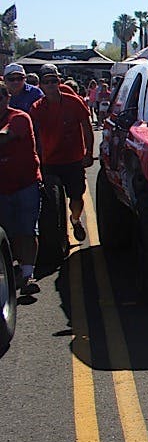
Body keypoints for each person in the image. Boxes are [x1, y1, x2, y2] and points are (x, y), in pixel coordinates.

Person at [30, 64, 94, 243]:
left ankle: (75, 220)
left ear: (59, 82)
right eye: (46, 82)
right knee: (52, 200)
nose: (50, 84)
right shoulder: (37, 107)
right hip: (49, 161)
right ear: (41, 85)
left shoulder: (74, 102)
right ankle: (58, 234)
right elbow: (32, 133)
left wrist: (89, 152)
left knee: (76, 197)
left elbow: (86, 126)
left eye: (53, 81)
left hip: (73, 159)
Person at [0, 84, 42, 294]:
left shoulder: (19, 117)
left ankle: (27, 274)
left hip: (26, 184)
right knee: (8, 232)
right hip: (2, 187)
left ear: (7, 98)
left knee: (26, 229)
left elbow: (5, 136)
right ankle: (15, 270)